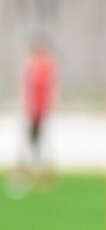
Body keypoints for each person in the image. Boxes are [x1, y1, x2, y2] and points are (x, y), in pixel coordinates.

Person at [23, 40, 57, 176]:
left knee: (38, 136)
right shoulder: (36, 66)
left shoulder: (43, 68)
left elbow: (43, 89)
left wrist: (41, 108)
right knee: (34, 136)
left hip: (39, 108)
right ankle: (36, 163)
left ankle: (39, 164)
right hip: (35, 108)